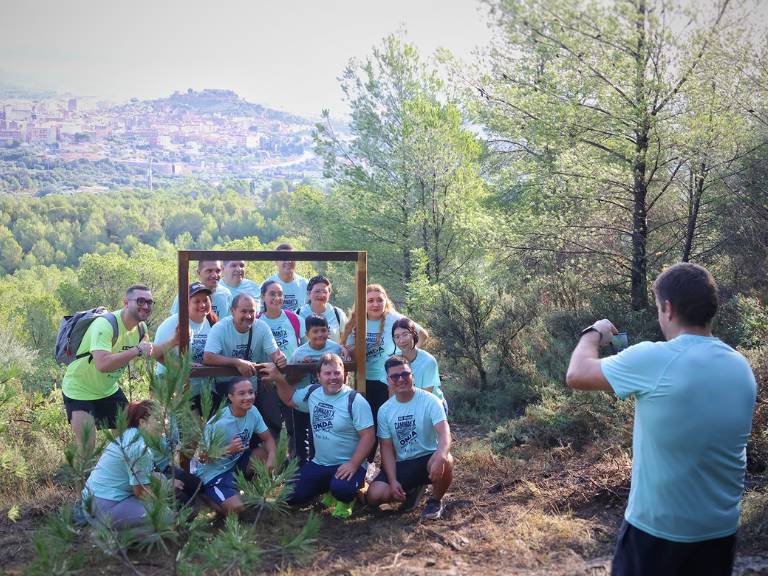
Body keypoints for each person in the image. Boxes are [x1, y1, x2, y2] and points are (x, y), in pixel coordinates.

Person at [565, 263, 757, 576]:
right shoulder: (740, 367)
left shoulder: (655, 358)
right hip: (719, 535)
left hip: (657, 535)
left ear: (667, 308)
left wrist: (594, 333)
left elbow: (576, 375)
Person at [62, 284, 178, 452]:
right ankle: (86, 479)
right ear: (125, 302)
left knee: (129, 443)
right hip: (79, 391)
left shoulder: (140, 328)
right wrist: (136, 350)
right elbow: (102, 364)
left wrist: (174, 343)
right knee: (87, 450)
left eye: (150, 302)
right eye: (140, 301)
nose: (145, 306)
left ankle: (123, 476)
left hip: (108, 391)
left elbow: (150, 352)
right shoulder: (105, 325)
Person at [265, 353, 374, 518]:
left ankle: (345, 500)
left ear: (344, 374)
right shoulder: (312, 393)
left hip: (348, 465)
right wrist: (279, 379)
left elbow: (369, 436)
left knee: (342, 489)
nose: (333, 377)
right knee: (290, 495)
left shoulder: (355, 401)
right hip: (320, 463)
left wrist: (353, 463)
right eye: (327, 373)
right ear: (318, 376)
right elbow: (289, 399)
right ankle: (328, 488)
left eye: (337, 373)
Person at [340, 284, 428, 461]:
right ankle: (366, 465)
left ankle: (396, 465)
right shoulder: (357, 322)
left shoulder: (394, 319)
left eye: (379, 300)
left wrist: (405, 357)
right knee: (367, 425)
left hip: (390, 381)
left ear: (385, 300)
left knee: (392, 422)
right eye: (370, 300)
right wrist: (352, 347)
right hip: (364, 382)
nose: (375, 304)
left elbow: (423, 334)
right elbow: (348, 351)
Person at [366, 356, 454, 520]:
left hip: (427, 458)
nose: (401, 379)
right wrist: (392, 481)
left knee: (447, 459)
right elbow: (386, 447)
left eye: (405, 374)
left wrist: (440, 457)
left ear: (412, 375)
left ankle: (435, 501)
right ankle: (413, 490)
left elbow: (444, 433)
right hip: (402, 463)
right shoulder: (385, 410)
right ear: (388, 380)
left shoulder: (430, 401)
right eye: (395, 376)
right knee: (374, 496)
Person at [194, 379, 276, 515]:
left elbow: (267, 438)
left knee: (263, 454)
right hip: (213, 473)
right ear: (230, 397)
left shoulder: (253, 411)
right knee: (236, 509)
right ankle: (207, 497)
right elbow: (200, 457)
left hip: (234, 464)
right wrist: (228, 450)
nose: (248, 397)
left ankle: (251, 494)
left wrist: (272, 458)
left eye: (251, 392)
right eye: (242, 394)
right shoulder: (219, 422)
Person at [81, 400, 162, 529]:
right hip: (105, 506)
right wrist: (164, 500)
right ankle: (114, 538)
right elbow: (142, 493)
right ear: (142, 422)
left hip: (93, 501)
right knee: (165, 518)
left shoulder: (130, 435)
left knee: (161, 480)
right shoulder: (139, 447)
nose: (164, 423)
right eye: (158, 419)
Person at [203, 293, 286, 411]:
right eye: (243, 311)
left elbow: (276, 353)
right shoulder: (220, 328)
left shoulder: (262, 327)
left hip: (250, 391)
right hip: (225, 392)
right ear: (233, 311)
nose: (248, 316)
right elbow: (208, 357)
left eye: (252, 311)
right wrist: (237, 362)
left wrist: (280, 359)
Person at [288, 315, 346, 464]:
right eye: (315, 331)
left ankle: (320, 463)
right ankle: (301, 467)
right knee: (301, 435)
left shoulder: (335, 348)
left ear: (328, 331)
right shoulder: (299, 353)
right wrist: (302, 367)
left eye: (323, 330)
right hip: (304, 402)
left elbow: (343, 372)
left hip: (328, 402)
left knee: (322, 434)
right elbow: (290, 379)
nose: (320, 334)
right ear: (307, 334)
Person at [156, 282, 217, 415]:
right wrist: (181, 367)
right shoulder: (173, 323)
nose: (202, 305)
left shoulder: (211, 323)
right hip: (172, 385)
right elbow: (156, 353)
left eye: (205, 300)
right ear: (186, 304)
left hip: (200, 388)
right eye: (197, 301)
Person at [255, 279, 305, 440]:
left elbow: (306, 345)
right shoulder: (256, 321)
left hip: (292, 381)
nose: (277, 298)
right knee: (271, 426)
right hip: (267, 383)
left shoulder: (294, 319)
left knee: (295, 426)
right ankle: (275, 463)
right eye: (272, 294)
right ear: (263, 297)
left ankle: (296, 461)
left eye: (280, 294)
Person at [391, 317, 447, 414]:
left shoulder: (428, 361)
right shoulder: (392, 362)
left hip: (432, 407)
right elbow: (392, 393)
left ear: (414, 334)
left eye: (405, 335)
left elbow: (426, 396)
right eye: (397, 337)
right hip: (407, 405)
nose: (401, 340)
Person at [297, 275, 348, 343]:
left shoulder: (338, 314)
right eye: (317, 291)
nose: (321, 295)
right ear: (309, 293)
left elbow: (347, 340)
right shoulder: (298, 314)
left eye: (325, 292)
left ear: (329, 294)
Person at [263, 243, 308, 312]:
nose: (288, 261)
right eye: (284, 258)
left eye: (291, 258)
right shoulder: (267, 285)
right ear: (276, 261)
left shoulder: (305, 284)